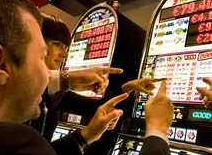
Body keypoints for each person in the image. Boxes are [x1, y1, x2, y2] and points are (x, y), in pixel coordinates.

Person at [0, 0, 128, 155]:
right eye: (41, 56)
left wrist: (128, 87)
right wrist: (156, 133)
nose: (49, 75)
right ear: (0, 63)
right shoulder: (14, 147)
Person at [31, 13, 167, 144]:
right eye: (57, 44)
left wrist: (129, 86)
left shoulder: (51, 93)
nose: (65, 54)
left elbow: (93, 107)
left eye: (66, 47)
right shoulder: (24, 93)